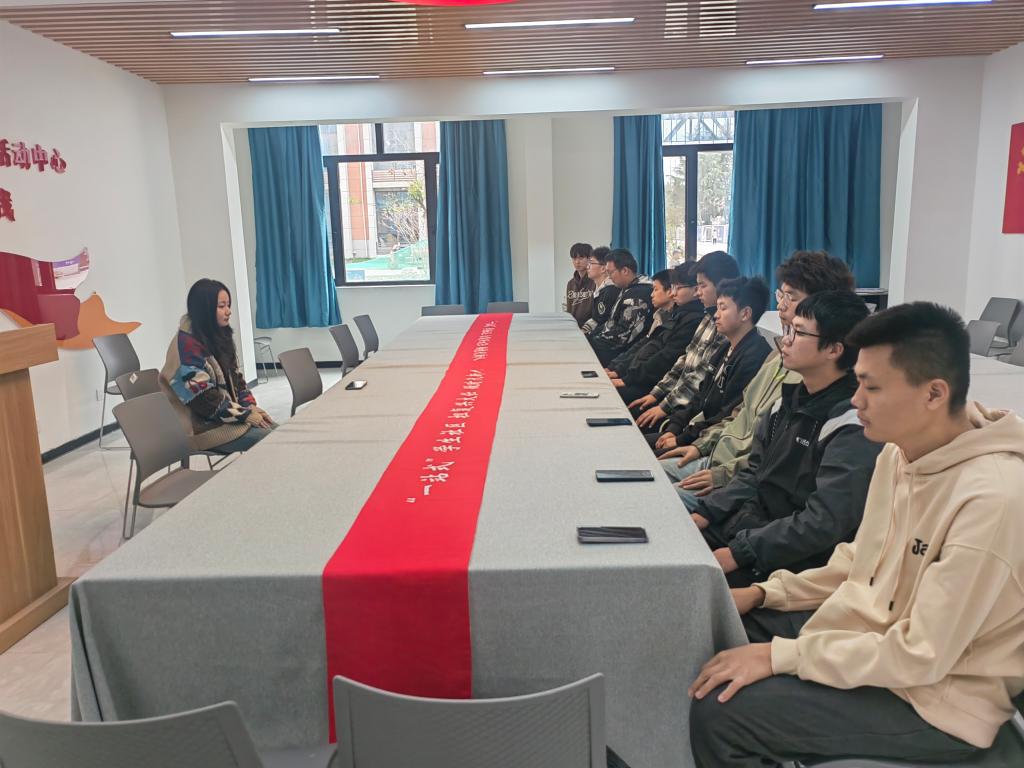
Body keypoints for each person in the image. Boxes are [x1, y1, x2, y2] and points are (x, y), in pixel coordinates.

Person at [690, 302, 1024, 768]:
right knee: (712, 627)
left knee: (722, 714)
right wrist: (766, 593)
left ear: (933, 393)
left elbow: (921, 654)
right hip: (870, 641)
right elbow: (857, 563)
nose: (856, 401)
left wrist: (782, 656)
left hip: (935, 701)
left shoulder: (993, 499)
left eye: (872, 386)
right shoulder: (899, 454)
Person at [691, 290, 879, 588]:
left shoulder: (851, 426)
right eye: (789, 330)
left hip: (789, 562)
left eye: (799, 333)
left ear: (834, 349)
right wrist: (706, 512)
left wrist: (741, 552)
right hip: (750, 528)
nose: (786, 340)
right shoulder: (786, 403)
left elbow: (822, 521)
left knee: (686, 586)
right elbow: (754, 473)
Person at [660, 251, 855, 510]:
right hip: (718, 458)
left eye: (791, 297)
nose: (782, 305)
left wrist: (722, 475)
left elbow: (769, 460)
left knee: (659, 498)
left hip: (734, 475)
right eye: (781, 295)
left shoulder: (811, 375)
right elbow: (739, 413)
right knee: (649, 473)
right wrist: (700, 446)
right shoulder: (777, 357)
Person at [651, 277, 772, 454]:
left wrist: (681, 439)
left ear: (745, 314)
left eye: (723, 308)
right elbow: (701, 395)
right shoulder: (725, 347)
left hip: (712, 443)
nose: (716, 314)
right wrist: (674, 428)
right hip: (694, 432)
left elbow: (726, 415)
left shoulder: (755, 357)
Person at [161, 278, 275, 454]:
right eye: (221, 306)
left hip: (226, 419)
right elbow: (204, 401)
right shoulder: (185, 346)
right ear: (204, 310)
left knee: (279, 432)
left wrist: (249, 406)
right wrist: (245, 414)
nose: (228, 311)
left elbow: (236, 379)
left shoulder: (217, 335)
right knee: (272, 442)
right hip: (203, 428)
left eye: (228, 305)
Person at [629, 251, 740, 431]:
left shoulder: (726, 327)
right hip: (675, 399)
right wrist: (657, 394)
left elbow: (701, 375)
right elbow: (684, 360)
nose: (698, 292)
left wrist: (664, 406)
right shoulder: (707, 317)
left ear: (722, 285)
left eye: (702, 286)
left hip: (686, 410)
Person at [607, 263, 705, 404]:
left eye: (678, 288)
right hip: (639, 377)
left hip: (652, 384)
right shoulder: (674, 314)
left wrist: (626, 378)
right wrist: (617, 368)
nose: (674, 293)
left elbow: (666, 358)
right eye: (673, 287)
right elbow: (647, 344)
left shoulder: (693, 320)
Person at [588, 249, 654, 367]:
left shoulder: (639, 294)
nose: (609, 277)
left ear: (625, 270)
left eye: (611, 273)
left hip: (621, 357)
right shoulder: (628, 288)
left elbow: (624, 334)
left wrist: (592, 343)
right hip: (612, 349)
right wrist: (590, 337)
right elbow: (610, 323)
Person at [582, 247, 619, 336]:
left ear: (603, 268)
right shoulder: (601, 289)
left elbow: (602, 322)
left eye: (591, 263)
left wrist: (585, 334)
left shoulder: (610, 291)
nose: (587, 267)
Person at [565, 242, 595, 327]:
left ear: (589, 259)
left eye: (581, 258)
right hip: (573, 327)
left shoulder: (595, 281)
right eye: (574, 258)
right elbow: (568, 309)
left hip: (590, 328)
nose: (577, 262)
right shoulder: (570, 284)